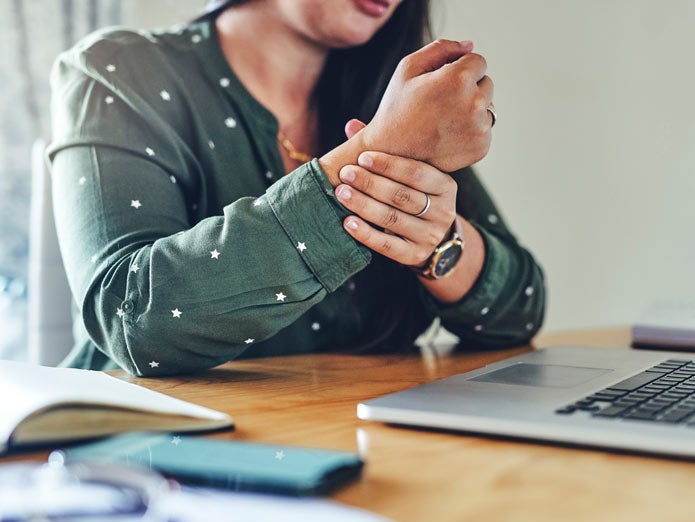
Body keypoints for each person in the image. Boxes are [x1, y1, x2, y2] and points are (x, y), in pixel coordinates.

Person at [48, 0, 546, 376]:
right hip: (143, 479)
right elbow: (133, 320)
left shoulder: (388, 96)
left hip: (363, 461)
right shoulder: (119, 71)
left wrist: (438, 246)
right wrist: (381, 148)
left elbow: (520, 309)